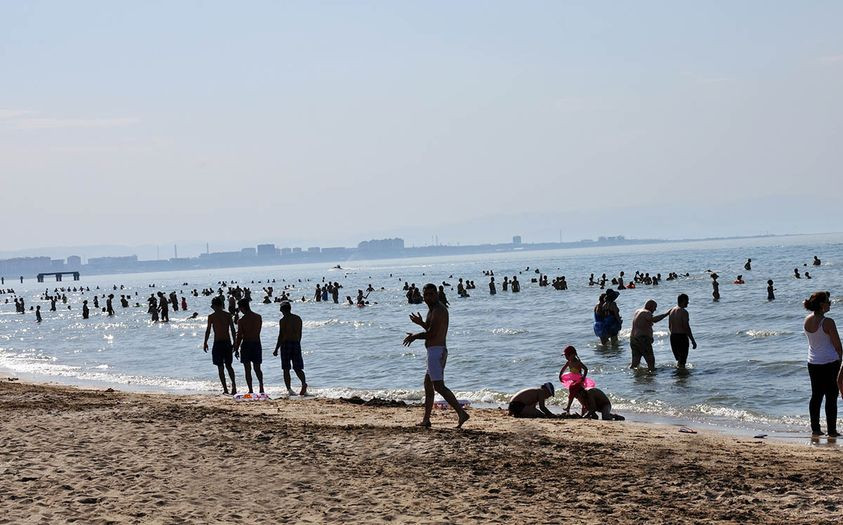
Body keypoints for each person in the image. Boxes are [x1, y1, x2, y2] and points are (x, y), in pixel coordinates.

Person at [403, 283, 470, 428]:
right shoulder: (433, 310)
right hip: (434, 351)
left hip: (436, 352)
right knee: (428, 385)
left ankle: (461, 413)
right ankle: (426, 420)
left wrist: (414, 337)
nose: (428, 297)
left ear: (437, 295)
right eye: (426, 295)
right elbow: (431, 328)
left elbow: (432, 334)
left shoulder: (439, 310)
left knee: (439, 386)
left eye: (431, 294)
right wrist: (421, 323)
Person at [803, 292, 842, 436]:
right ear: (821, 304)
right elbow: (837, 345)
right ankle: (832, 430)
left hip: (813, 362)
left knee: (816, 395)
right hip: (830, 362)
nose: (830, 303)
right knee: (831, 396)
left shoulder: (807, 319)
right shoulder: (828, 322)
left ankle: (815, 429)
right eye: (827, 301)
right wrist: (841, 360)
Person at [203, 297, 237, 395]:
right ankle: (233, 387)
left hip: (218, 343)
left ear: (214, 306)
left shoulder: (212, 316)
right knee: (228, 366)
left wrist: (205, 342)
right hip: (226, 342)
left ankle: (226, 389)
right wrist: (235, 342)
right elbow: (233, 330)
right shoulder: (227, 315)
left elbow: (208, 330)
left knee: (221, 367)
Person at [273, 301, 307, 396]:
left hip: (286, 344)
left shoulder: (283, 320)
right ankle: (303, 383)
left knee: (286, 369)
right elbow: (300, 333)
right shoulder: (297, 318)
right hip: (296, 343)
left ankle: (289, 389)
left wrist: (276, 348)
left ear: (282, 309)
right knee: (298, 368)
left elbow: (281, 335)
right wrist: (298, 343)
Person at [234, 298, 265, 394]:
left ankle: (250, 390)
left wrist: (236, 348)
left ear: (242, 307)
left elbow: (240, 336)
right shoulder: (258, 317)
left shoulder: (241, 321)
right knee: (257, 368)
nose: (240, 310)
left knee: (247, 370)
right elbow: (258, 331)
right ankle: (261, 387)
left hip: (246, 345)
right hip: (256, 343)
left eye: (240, 308)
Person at [630, 300, 669, 371]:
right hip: (642, 339)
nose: (655, 309)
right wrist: (667, 314)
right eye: (655, 307)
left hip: (633, 339)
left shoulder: (638, 311)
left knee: (635, 362)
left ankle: (634, 376)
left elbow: (644, 324)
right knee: (650, 361)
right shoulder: (646, 312)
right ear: (650, 306)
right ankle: (651, 375)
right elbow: (654, 320)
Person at [668, 294, 697, 369]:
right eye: (687, 301)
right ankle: (682, 375)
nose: (688, 302)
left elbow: (669, 326)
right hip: (681, 337)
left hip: (673, 337)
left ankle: (679, 375)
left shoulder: (672, 311)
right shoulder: (683, 312)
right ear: (683, 301)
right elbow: (686, 327)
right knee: (683, 361)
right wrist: (692, 340)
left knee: (679, 360)